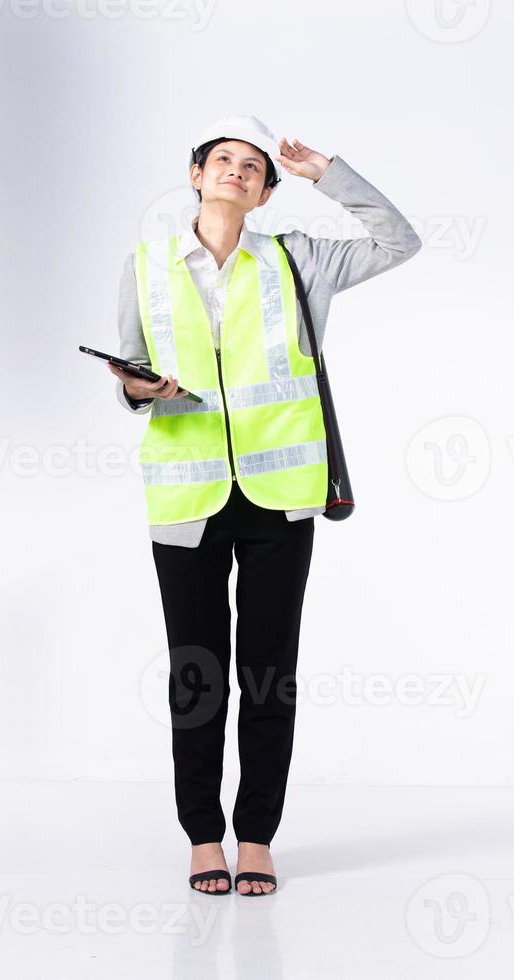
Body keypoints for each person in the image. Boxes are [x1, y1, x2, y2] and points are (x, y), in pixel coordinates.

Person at [108, 115, 421, 895]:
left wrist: (330, 173)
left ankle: (257, 835)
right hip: (186, 494)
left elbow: (399, 241)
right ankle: (201, 835)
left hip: (280, 496)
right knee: (197, 673)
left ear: (268, 190)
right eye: (223, 160)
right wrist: (138, 389)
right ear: (195, 174)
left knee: (269, 673)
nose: (237, 172)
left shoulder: (298, 260)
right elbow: (130, 373)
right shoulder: (146, 266)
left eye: (253, 166)